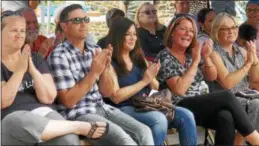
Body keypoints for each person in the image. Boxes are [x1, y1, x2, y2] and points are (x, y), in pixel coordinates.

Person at [156, 15, 259, 145]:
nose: (188, 34)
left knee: (225, 116)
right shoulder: (165, 56)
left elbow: (211, 76)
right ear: (172, 32)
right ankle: (257, 141)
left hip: (201, 104)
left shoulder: (190, 54)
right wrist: (195, 62)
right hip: (178, 105)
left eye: (191, 31)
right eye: (183, 29)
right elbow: (179, 90)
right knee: (227, 95)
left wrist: (206, 57)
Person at [47, 4, 154, 145]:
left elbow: (106, 92)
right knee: (125, 141)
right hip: (78, 114)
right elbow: (68, 101)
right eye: (77, 21)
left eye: (85, 20)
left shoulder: (95, 50)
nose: (83, 24)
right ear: (64, 26)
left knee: (144, 131)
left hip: (101, 106)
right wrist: (94, 72)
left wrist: (106, 69)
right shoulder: (59, 56)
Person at [1, 11, 108, 145]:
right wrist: (20, 71)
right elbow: (3, 101)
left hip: (43, 115)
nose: (19, 35)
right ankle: (76, 126)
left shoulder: (36, 59)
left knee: (68, 141)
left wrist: (32, 70)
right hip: (9, 120)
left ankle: (69, 129)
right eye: (14, 30)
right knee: (17, 119)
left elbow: (48, 97)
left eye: (22, 31)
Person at [107, 17, 197, 145]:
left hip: (147, 104)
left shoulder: (138, 57)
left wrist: (152, 76)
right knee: (158, 119)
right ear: (117, 36)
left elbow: (155, 87)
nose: (133, 38)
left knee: (186, 115)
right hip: (124, 108)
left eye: (134, 34)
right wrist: (144, 81)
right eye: (128, 34)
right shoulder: (110, 62)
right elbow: (116, 97)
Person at [209, 12, 259, 145]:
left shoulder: (241, 51)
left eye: (233, 27)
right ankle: (240, 142)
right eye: (226, 28)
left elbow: (256, 79)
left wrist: (254, 58)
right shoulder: (214, 53)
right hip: (224, 98)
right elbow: (228, 83)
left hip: (244, 96)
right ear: (216, 31)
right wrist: (247, 65)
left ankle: (246, 141)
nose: (231, 31)